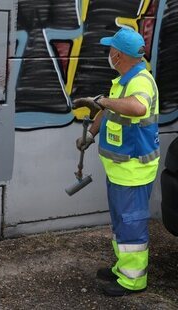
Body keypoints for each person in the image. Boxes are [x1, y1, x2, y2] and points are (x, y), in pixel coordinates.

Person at [73, 27, 159, 296]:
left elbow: (138, 107)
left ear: (118, 55)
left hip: (134, 170)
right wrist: (91, 133)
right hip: (121, 168)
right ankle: (123, 267)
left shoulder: (140, 81)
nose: (108, 54)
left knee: (130, 224)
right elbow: (110, 110)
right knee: (122, 222)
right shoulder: (122, 80)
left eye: (111, 50)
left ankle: (132, 280)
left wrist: (103, 100)